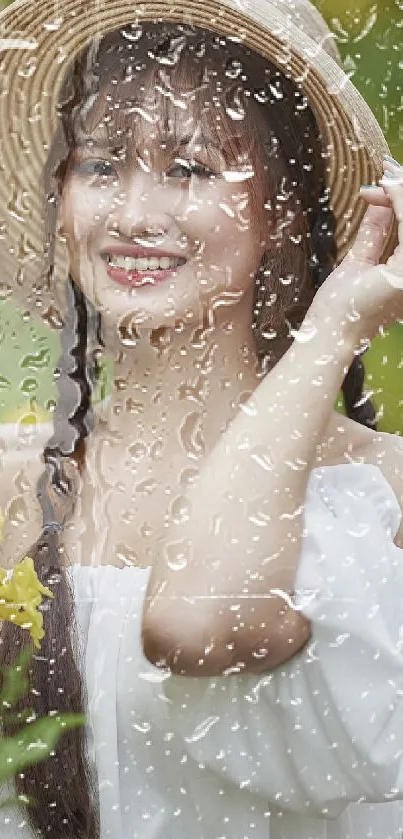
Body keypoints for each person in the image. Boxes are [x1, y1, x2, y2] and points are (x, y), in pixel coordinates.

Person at [1, 0, 403, 837]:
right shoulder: (13, 483)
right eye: (101, 165)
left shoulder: (381, 486)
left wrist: (330, 332)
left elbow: (201, 619)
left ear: (284, 210)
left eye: (188, 169)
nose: (133, 214)